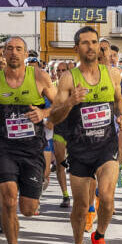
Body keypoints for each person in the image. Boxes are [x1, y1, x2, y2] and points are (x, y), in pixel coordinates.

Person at [49, 26, 122, 244]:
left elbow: (119, 101)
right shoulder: (68, 79)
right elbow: (54, 117)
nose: (91, 47)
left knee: (107, 197)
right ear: (77, 48)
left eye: (94, 42)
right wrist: (71, 102)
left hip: (106, 146)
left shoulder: (112, 74)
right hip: (79, 149)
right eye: (85, 43)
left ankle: (99, 236)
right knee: (81, 207)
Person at [0, 37, 55, 244]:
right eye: (9, 49)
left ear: (25, 54)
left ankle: (20, 203)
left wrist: (43, 113)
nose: (13, 53)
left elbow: (61, 104)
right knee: (9, 197)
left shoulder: (39, 76)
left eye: (18, 49)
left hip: (32, 149)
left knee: (28, 209)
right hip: (5, 147)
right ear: (3, 54)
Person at [52, 61, 72, 208]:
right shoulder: (51, 87)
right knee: (60, 164)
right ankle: (65, 195)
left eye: (63, 70)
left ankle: (80, 193)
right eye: (58, 70)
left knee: (77, 165)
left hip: (74, 130)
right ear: (54, 72)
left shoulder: (74, 86)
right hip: (58, 129)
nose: (60, 73)